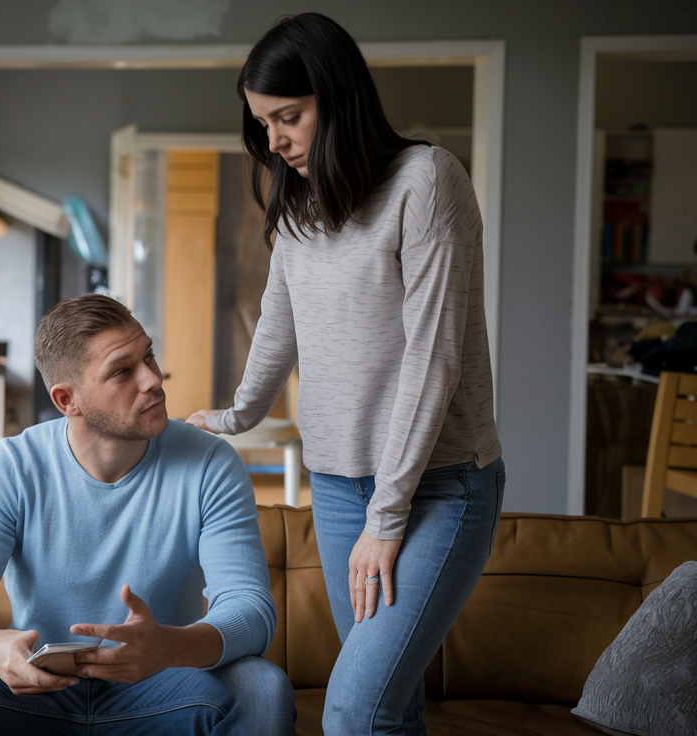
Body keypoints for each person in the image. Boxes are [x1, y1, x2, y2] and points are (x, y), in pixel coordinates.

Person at [187, 13, 505, 736]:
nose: (273, 140)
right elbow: (279, 318)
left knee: (357, 710)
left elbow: (435, 361)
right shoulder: (301, 199)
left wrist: (387, 517)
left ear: (338, 96)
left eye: (289, 116)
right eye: (262, 122)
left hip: (441, 486)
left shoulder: (426, 181)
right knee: (391, 708)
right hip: (336, 488)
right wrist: (237, 414)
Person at [0, 294, 296, 735]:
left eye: (149, 356)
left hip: (162, 687)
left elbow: (250, 609)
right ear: (68, 400)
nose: (153, 380)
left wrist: (169, 647)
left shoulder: (209, 464)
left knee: (261, 686)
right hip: (35, 693)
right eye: (122, 371)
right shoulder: (11, 465)